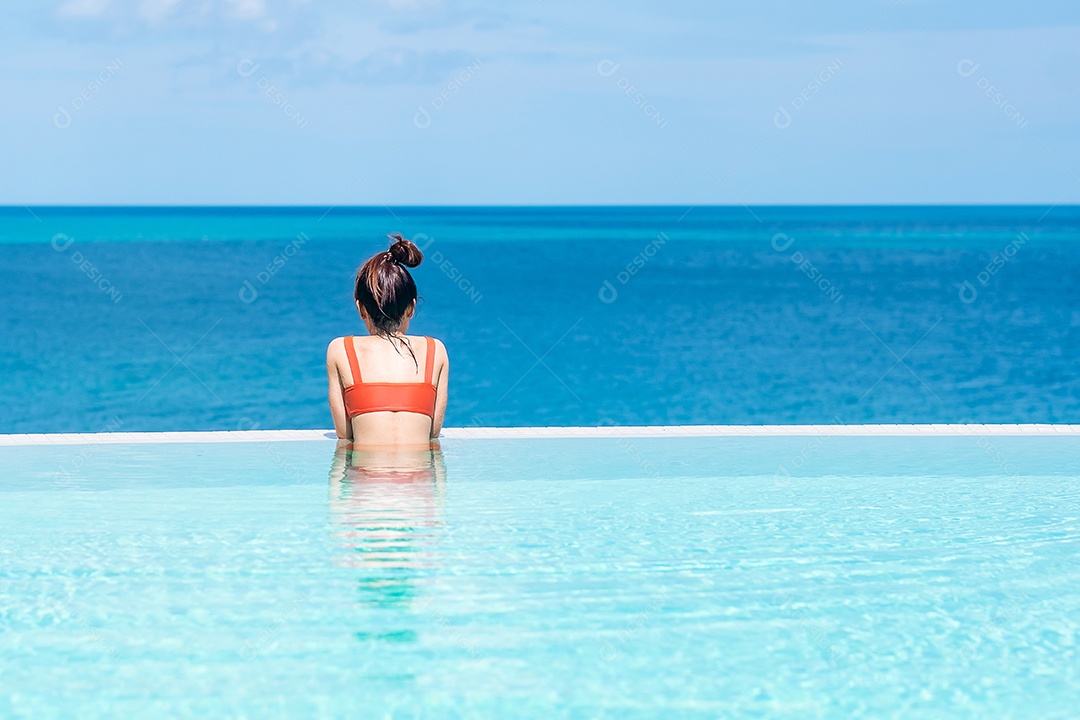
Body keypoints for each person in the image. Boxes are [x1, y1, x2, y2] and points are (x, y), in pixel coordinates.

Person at [327, 234, 448, 446]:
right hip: (420, 478)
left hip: (366, 477)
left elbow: (345, 434)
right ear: (411, 308)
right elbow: (433, 432)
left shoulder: (340, 350)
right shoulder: (435, 350)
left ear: (360, 308)